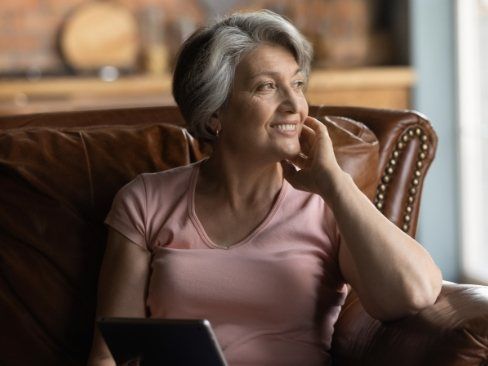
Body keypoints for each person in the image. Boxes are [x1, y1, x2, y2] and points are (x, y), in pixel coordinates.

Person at [87, 10, 442, 366]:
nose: (294, 105)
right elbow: (108, 355)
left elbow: (414, 294)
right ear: (215, 113)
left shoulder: (328, 205)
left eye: (298, 84)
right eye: (267, 87)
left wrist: (335, 183)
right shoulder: (145, 201)